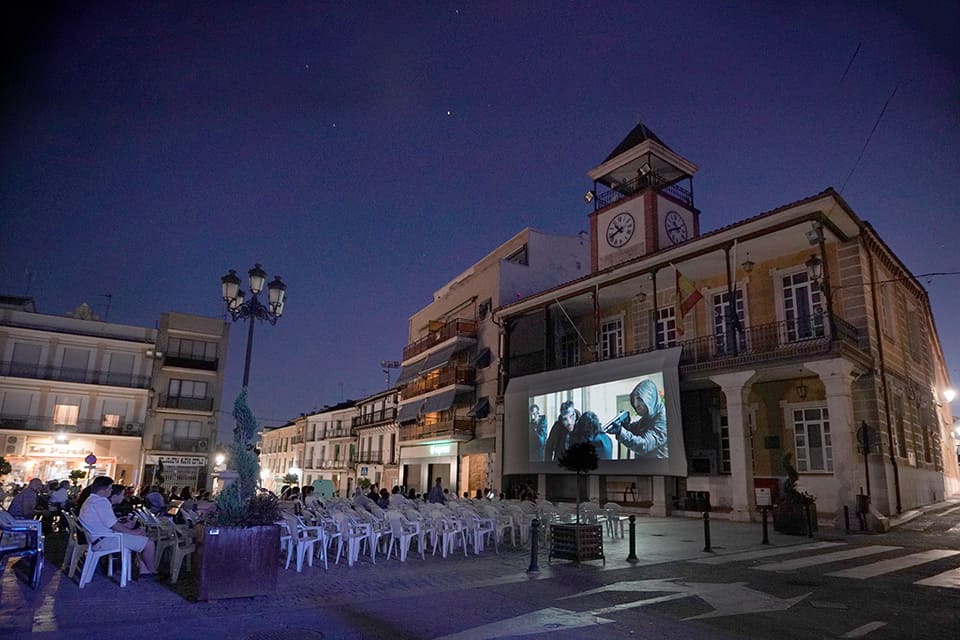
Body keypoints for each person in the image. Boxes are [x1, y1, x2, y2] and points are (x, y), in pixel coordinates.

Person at [78, 476, 156, 577]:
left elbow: (108, 523)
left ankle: (144, 569)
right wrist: (132, 532)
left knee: (141, 536)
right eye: (110, 488)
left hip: (98, 539)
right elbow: (113, 525)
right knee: (149, 543)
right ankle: (152, 571)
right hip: (106, 540)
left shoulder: (90, 500)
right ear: (103, 489)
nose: (111, 491)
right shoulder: (101, 502)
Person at [603, 379, 668, 458]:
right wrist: (626, 426)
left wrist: (621, 431)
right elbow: (635, 430)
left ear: (649, 401)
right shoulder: (647, 417)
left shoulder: (663, 419)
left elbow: (644, 445)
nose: (637, 411)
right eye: (636, 407)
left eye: (639, 407)